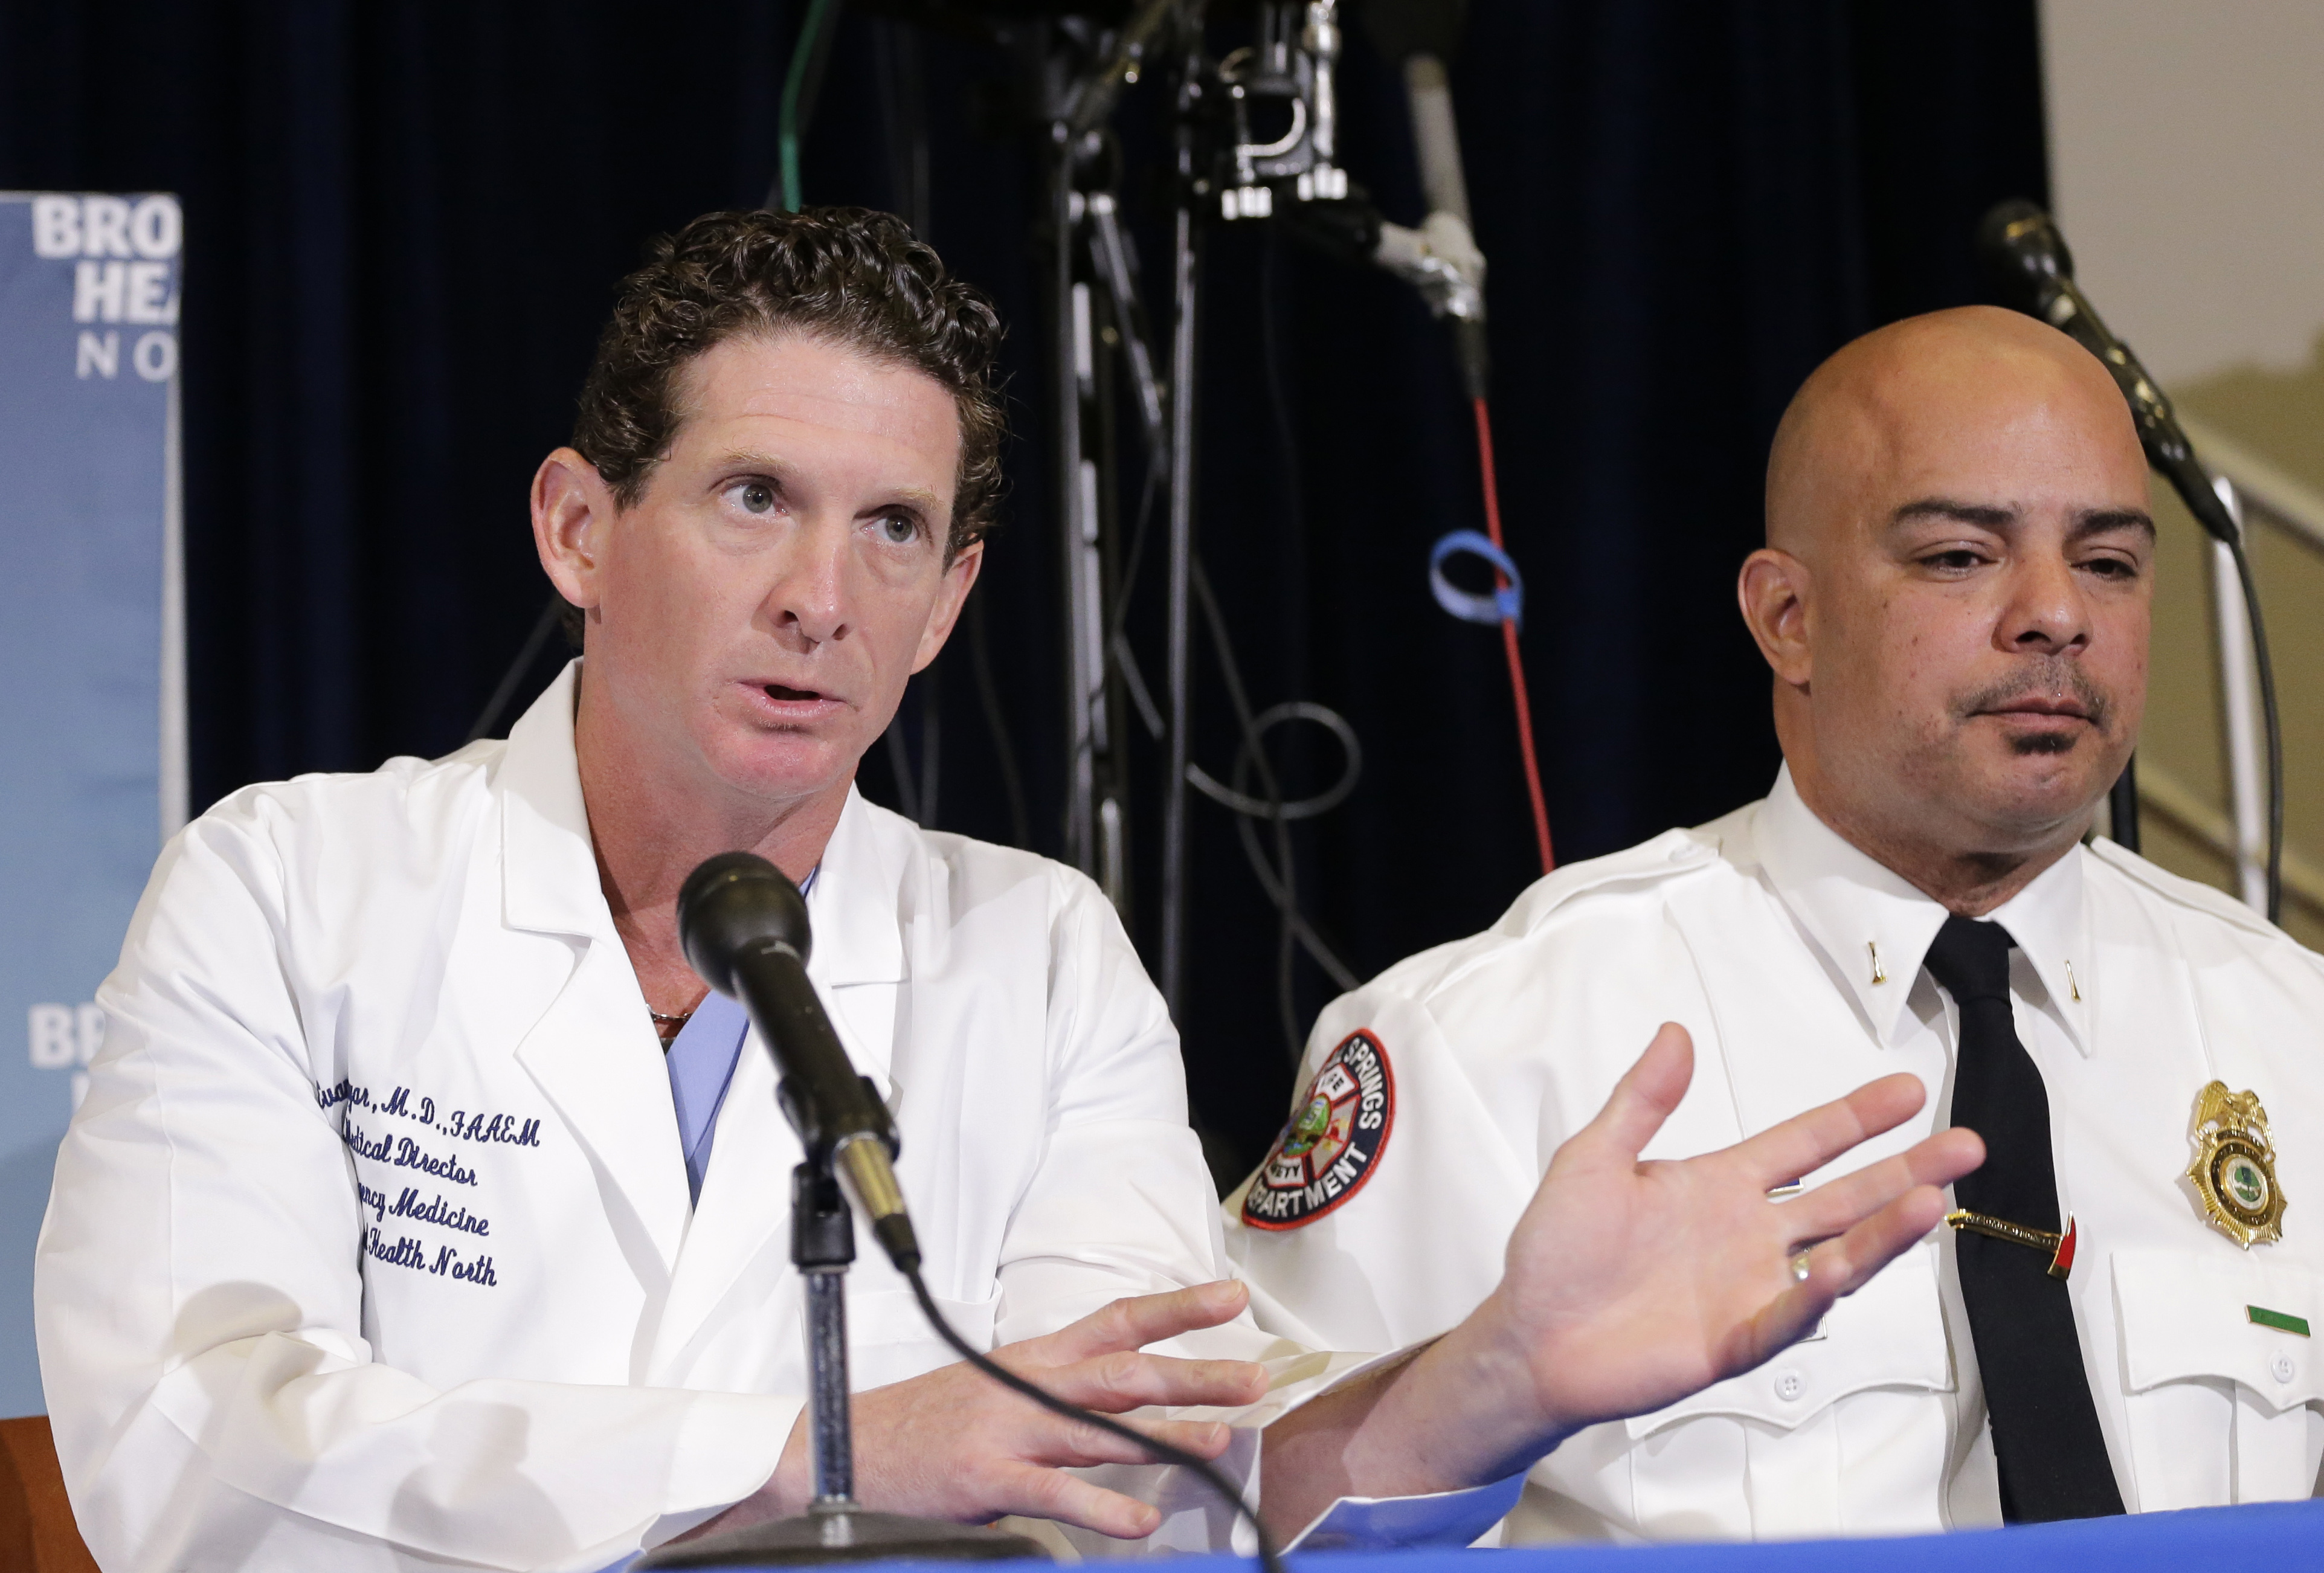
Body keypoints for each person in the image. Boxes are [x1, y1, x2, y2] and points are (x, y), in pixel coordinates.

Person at [34, 208, 1974, 1573]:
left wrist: (1497, 1379)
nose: (823, 593)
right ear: (576, 526)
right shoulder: (289, 890)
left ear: (955, 601)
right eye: (752, 497)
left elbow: (1149, 1485)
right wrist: (823, 1450)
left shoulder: (1034, 957)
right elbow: (197, 1454)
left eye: (895, 529)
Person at [1230, 304, 2324, 1540]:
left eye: (2108, 563)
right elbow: (1222, 1526)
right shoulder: (1492, 1043)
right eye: (1962, 556)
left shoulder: (2293, 1030)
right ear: (1785, 618)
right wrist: (1486, 1381)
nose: (2054, 614)